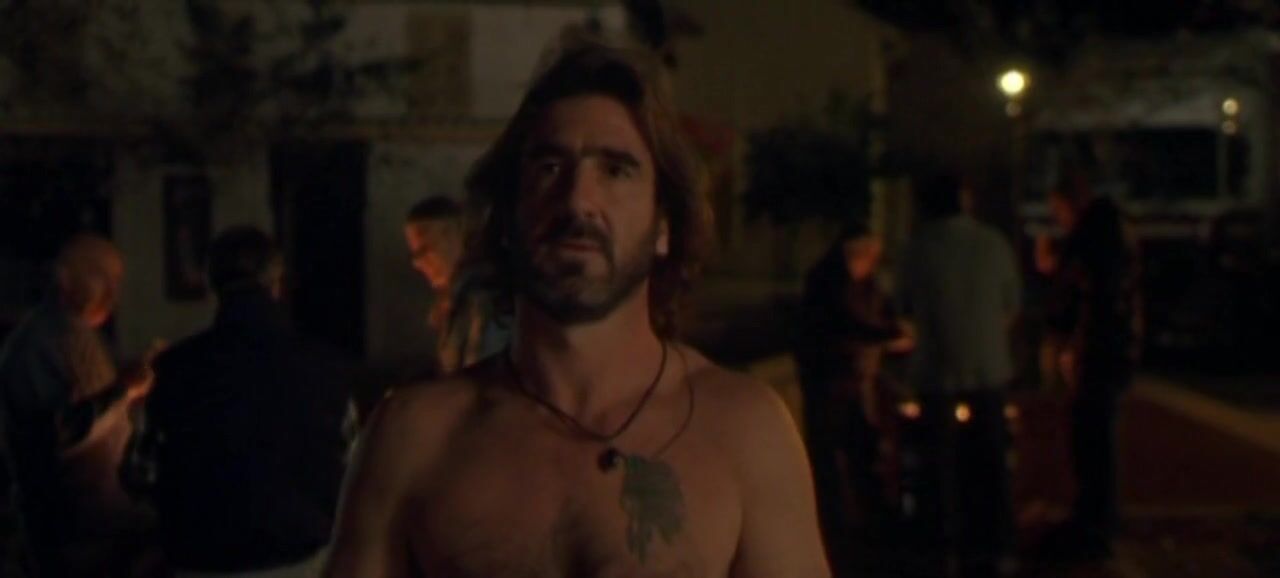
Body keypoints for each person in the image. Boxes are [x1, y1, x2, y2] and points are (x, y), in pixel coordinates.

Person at [324, 41, 830, 578]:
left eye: (615, 170)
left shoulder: (745, 432)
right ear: (507, 216)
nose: (577, 200)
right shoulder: (414, 437)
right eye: (549, 167)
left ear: (663, 226)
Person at [147, 226, 356, 578]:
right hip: (298, 556)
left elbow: (142, 470)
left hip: (200, 558)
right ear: (276, 283)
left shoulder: (175, 369)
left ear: (212, 286)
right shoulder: (326, 367)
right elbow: (351, 464)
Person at [0, 234, 157, 577]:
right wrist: (123, 390)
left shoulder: (79, 333)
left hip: (104, 521)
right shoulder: (40, 343)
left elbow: (95, 395)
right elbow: (59, 432)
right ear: (66, 279)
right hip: (72, 530)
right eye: (102, 278)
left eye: (116, 282)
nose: (113, 295)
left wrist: (130, 384)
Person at [895, 172, 1021, 575]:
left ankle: (941, 547)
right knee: (991, 461)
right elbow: (1011, 305)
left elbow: (904, 308)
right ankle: (995, 546)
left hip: (937, 370)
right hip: (988, 368)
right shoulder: (993, 243)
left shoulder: (918, 248)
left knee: (938, 465)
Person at [1035, 177, 1141, 563]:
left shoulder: (1093, 237)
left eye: (1058, 211)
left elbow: (1083, 293)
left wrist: (1073, 343)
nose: (1057, 219)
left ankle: (1094, 525)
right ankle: (1096, 519)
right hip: (1111, 347)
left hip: (1099, 349)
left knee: (1091, 437)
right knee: (1095, 435)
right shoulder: (1113, 232)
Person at [796, 223, 913, 562]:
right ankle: (835, 531)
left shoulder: (865, 284)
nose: (873, 263)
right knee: (830, 458)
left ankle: (869, 526)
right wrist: (885, 335)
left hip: (856, 383)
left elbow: (881, 314)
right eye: (870, 256)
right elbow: (842, 324)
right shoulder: (828, 283)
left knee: (864, 450)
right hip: (829, 383)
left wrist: (893, 328)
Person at [404, 195, 508, 378]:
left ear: (455, 234)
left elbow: (482, 381)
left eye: (425, 249)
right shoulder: (456, 302)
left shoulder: (484, 300)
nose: (417, 263)